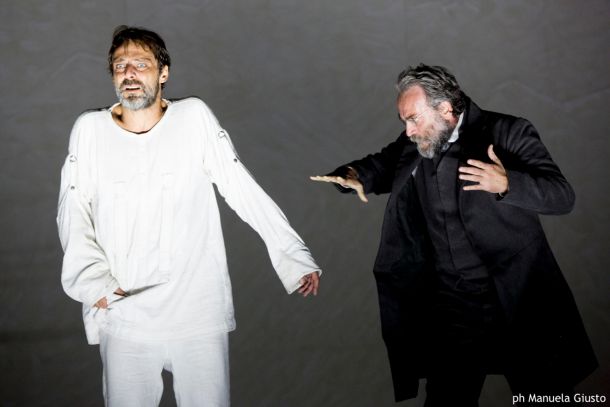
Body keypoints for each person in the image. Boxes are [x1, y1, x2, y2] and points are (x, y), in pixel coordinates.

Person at [57, 26, 320, 407]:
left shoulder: (194, 118)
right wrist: (96, 286)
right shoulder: (90, 130)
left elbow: (241, 188)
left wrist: (293, 255)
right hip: (124, 313)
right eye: (120, 65)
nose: (129, 73)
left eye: (141, 64)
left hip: (197, 313)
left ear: (163, 72)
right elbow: (72, 213)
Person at [311, 64, 596, 406]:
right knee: (446, 398)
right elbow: (383, 165)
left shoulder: (507, 131)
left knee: (544, 396)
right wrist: (354, 175)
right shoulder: (418, 141)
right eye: (404, 121)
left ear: (445, 109)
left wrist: (508, 183)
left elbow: (562, 196)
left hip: (515, 295)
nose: (408, 130)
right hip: (455, 304)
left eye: (413, 119)